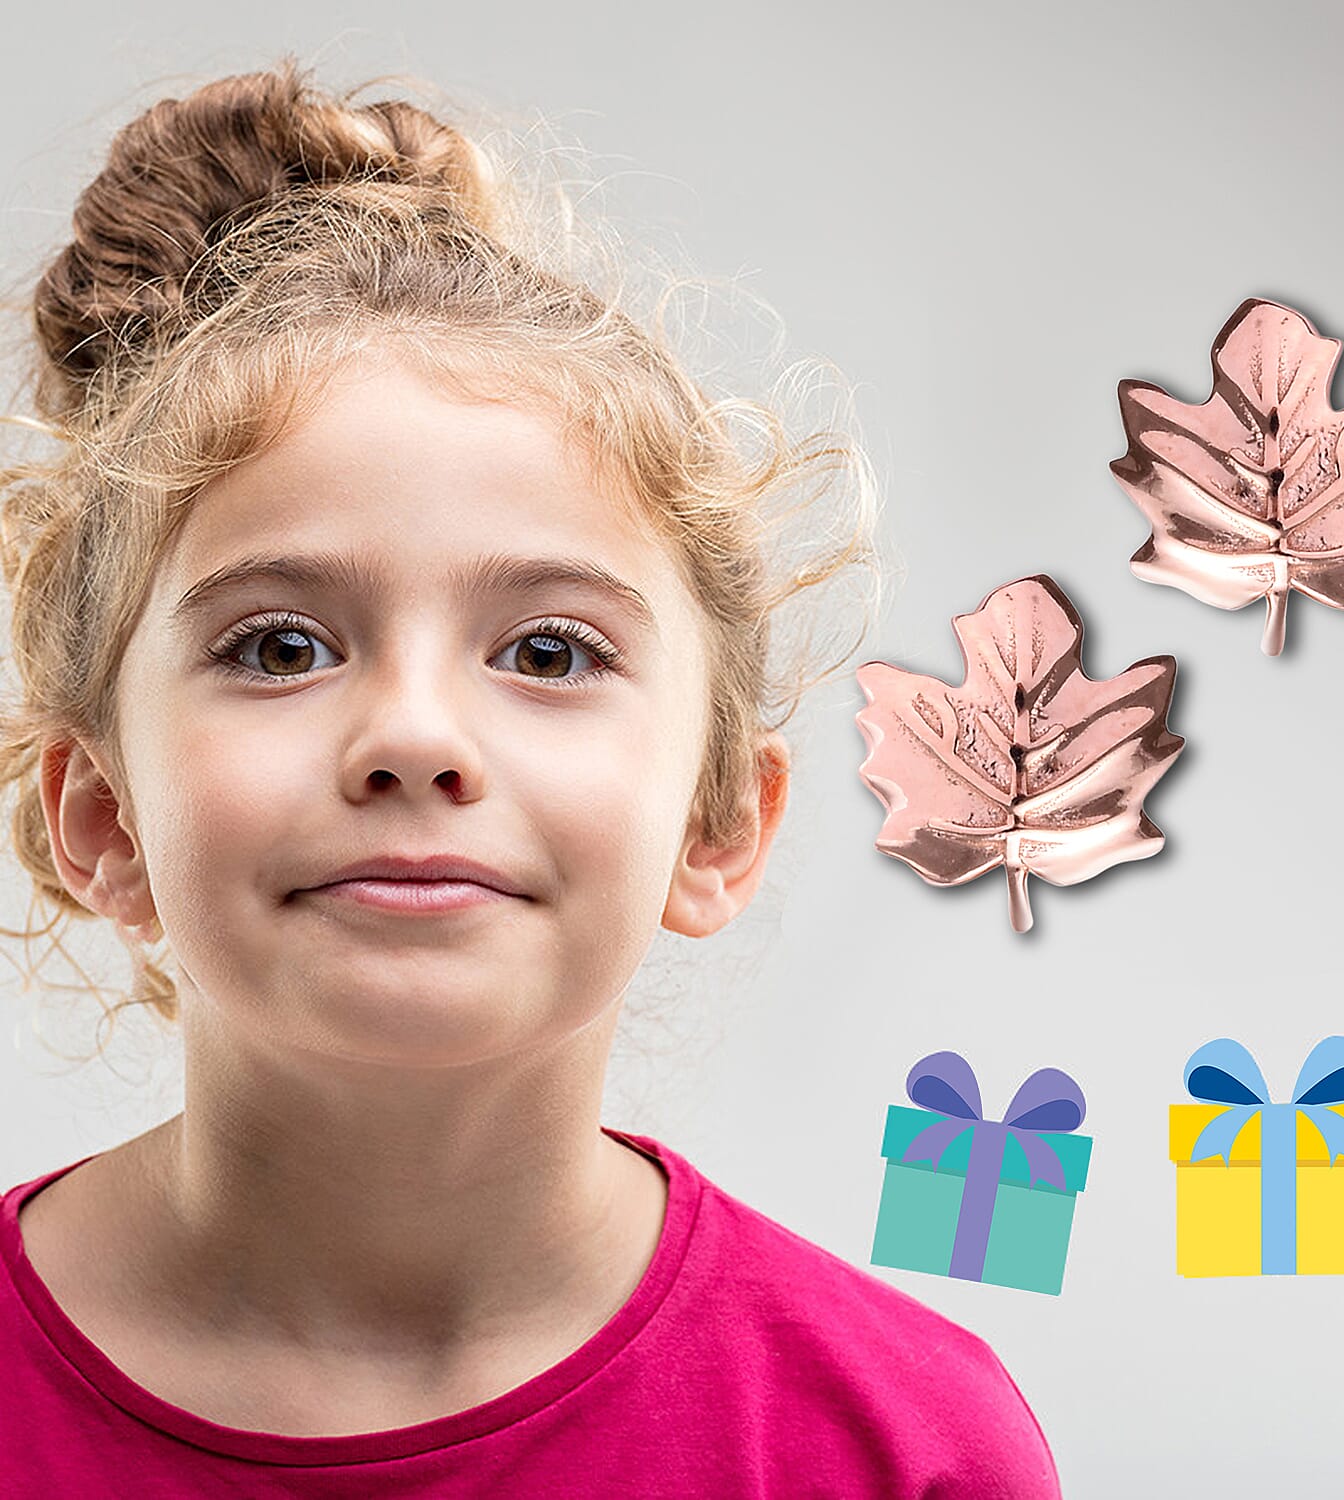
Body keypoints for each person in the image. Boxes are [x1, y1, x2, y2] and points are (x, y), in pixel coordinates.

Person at [0, 56, 1061, 1496]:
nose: (416, 736)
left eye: (551, 653)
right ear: (100, 818)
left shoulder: (898, 1449)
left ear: (719, 822)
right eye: (281, 644)